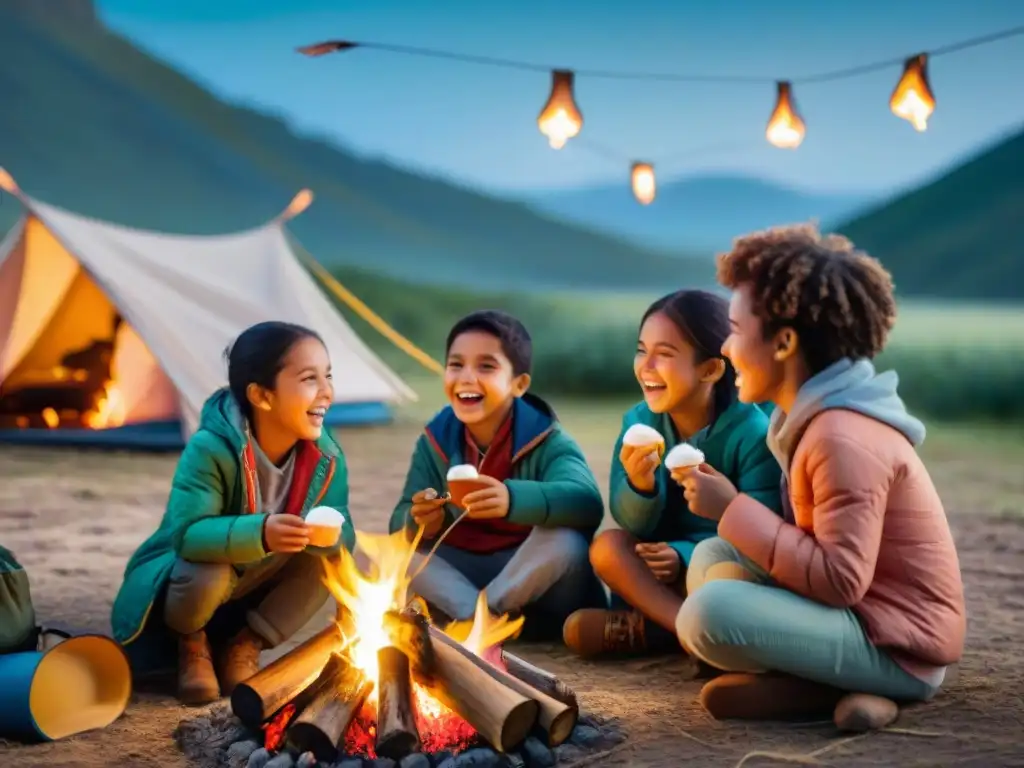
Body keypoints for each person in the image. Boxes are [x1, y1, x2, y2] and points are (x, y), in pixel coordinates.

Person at [674, 224, 967, 731]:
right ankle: (827, 689)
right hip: (862, 617)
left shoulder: (841, 437)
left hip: (899, 645)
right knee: (711, 557)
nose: (725, 348)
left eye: (737, 330)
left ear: (784, 342)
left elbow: (839, 581)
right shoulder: (811, 421)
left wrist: (729, 509)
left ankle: (852, 685)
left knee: (707, 613)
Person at [110, 321, 355, 705]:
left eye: (328, 376)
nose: (327, 392)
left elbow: (342, 525)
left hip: (254, 586)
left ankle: (245, 646)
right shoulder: (211, 448)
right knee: (208, 565)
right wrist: (261, 533)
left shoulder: (326, 455)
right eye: (309, 379)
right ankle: (192, 645)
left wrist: (331, 537)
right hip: (187, 586)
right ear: (262, 395)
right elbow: (187, 535)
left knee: (323, 564)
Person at [562, 290, 782, 657]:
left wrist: (682, 554)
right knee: (607, 548)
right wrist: (640, 486)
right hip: (656, 580)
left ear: (710, 369)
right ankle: (686, 631)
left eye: (663, 354)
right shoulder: (638, 422)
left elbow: (762, 531)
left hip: (719, 569)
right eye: (641, 350)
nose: (645, 366)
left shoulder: (752, 433)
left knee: (728, 577)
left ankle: (651, 632)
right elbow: (634, 525)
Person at [389, 310, 606, 639]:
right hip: (462, 574)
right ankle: (482, 621)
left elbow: (586, 501)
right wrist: (420, 521)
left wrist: (512, 498)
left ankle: (479, 619)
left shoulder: (547, 438)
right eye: (456, 364)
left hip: (534, 580)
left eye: (486, 366)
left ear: (518, 384)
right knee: (387, 553)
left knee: (565, 542)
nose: (466, 377)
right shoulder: (435, 440)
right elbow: (400, 519)